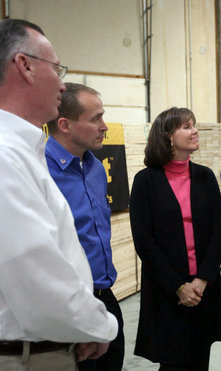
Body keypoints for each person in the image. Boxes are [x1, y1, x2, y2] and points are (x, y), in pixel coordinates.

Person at [0, 19, 117, 370]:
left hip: (59, 336)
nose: (62, 83)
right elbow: (34, 270)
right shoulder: (6, 156)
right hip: (29, 354)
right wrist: (99, 325)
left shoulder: (23, 151)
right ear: (25, 66)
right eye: (57, 68)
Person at [129, 107, 221, 370]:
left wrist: (201, 280)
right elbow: (144, 240)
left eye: (193, 125)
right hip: (168, 290)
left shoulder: (204, 176)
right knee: (173, 363)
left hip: (203, 288)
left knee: (199, 359)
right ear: (168, 136)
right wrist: (179, 286)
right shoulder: (146, 181)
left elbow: (219, 230)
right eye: (186, 126)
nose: (195, 130)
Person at [45, 82, 125, 371]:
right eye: (96, 119)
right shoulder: (39, 170)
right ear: (65, 125)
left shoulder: (93, 167)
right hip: (68, 304)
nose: (104, 126)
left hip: (106, 296)